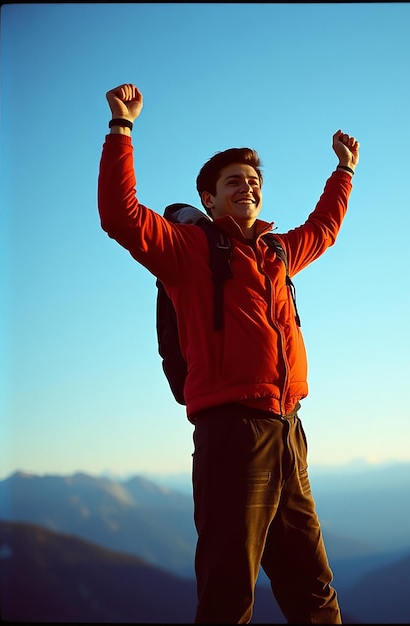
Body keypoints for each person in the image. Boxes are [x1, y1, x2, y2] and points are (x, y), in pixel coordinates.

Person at [98, 83, 359, 624]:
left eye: (254, 181)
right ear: (209, 199)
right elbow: (120, 216)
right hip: (233, 434)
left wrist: (344, 172)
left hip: (290, 431)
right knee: (229, 594)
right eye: (233, 181)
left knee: (313, 588)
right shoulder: (188, 252)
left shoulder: (278, 252)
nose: (248, 186)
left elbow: (325, 229)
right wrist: (122, 129)